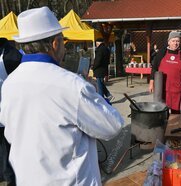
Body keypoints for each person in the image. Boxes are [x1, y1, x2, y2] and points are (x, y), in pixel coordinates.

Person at [0, 7, 124, 186]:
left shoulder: (10, 83)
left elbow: (9, 130)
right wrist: (95, 93)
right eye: (62, 41)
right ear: (55, 44)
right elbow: (112, 126)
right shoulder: (71, 85)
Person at [0, 38, 22, 185]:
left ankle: (10, 178)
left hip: (7, 113)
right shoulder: (12, 55)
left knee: (6, 150)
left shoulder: (10, 57)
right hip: (8, 113)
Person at [149, 31, 181, 113]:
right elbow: (154, 67)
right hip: (163, 89)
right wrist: (151, 83)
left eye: (177, 41)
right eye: (173, 41)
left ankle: (175, 125)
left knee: (176, 113)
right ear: (168, 41)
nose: (175, 43)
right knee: (162, 111)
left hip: (177, 89)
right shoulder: (162, 52)